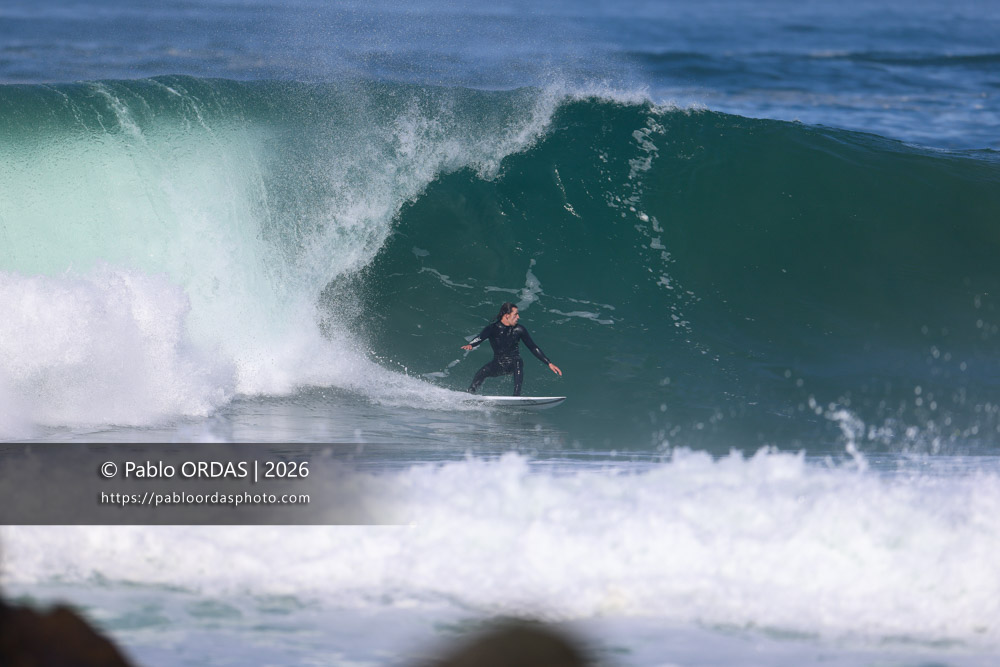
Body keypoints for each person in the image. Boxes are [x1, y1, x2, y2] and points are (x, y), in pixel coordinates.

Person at [461, 302, 562, 396]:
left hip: (513, 364)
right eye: (516, 314)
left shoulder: (519, 330)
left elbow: (533, 347)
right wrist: (471, 345)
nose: (518, 317)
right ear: (507, 315)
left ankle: (516, 395)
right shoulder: (492, 329)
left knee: (517, 361)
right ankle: (469, 395)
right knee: (482, 372)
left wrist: (549, 363)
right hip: (498, 364)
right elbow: (480, 337)